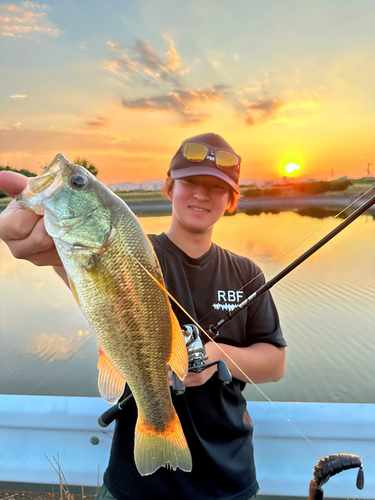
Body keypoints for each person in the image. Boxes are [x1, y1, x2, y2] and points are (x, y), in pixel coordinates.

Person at [0, 133, 286, 500]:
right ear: (169, 187)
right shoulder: (130, 248)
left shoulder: (247, 272)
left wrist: (214, 355)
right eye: (190, 182)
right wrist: (53, 249)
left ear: (231, 200)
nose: (201, 194)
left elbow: (274, 364)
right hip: (134, 483)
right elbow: (82, 272)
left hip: (228, 478)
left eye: (216, 187)